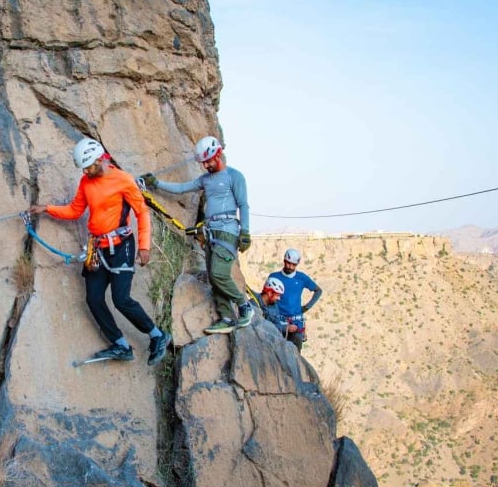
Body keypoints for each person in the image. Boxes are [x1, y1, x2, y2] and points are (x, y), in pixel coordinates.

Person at [28, 137, 171, 366]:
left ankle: (157, 335)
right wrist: (47, 208)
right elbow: (75, 210)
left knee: (121, 298)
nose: (86, 171)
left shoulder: (123, 180)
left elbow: (141, 212)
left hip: (122, 245)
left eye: (88, 166)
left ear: (100, 159)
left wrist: (144, 246)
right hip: (98, 248)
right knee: (93, 299)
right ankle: (121, 345)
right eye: (83, 168)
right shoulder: (86, 182)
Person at [143, 135, 253, 335]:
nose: (206, 166)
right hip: (211, 231)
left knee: (219, 273)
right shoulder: (205, 179)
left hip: (228, 231)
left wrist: (245, 232)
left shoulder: (234, 176)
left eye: (208, 161)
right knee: (213, 276)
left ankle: (244, 305)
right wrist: (156, 183)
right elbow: (182, 188)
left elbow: (243, 204)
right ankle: (226, 317)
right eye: (203, 163)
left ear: (218, 155)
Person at [265, 247, 321, 349]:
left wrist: (307, 307)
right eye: (288, 263)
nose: (290, 267)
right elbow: (266, 296)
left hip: (296, 322)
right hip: (278, 320)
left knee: (295, 354)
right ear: (284, 261)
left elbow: (318, 291)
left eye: (293, 265)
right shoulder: (274, 277)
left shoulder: (301, 278)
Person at [254, 276, 302, 343]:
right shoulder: (254, 302)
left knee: (297, 337)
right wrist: (286, 328)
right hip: (260, 335)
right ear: (270, 293)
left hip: (273, 334)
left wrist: (286, 328)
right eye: (278, 295)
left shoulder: (274, 305)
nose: (279, 298)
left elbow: (278, 324)